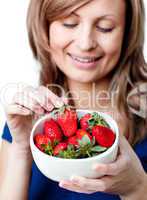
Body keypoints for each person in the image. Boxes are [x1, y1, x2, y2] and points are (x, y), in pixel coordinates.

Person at [0, 0, 147, 199]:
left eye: (105, 27)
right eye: (69, 23)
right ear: (45, 27)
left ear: (127, 34)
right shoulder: (26, 118)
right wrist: (21, 149)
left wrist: (136, 187)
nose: (85, 43)